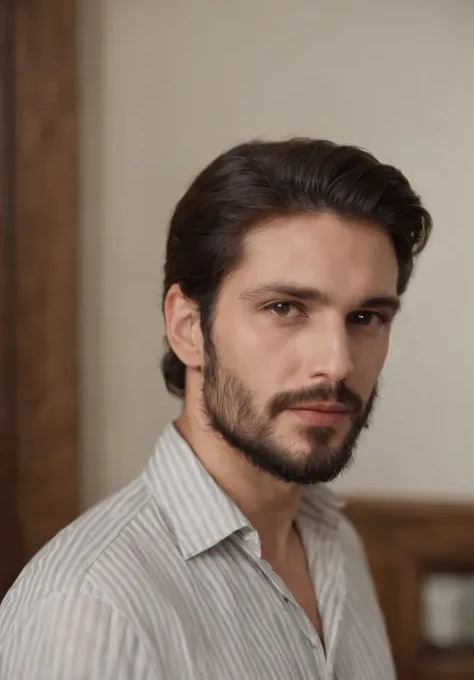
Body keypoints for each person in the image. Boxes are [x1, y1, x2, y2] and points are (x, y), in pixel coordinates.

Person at [0, 138, 432, 679]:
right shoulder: (90, 611)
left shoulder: (337, 546)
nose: (337, 364)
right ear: (187, 328)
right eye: (285, 308)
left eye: (366, 317)